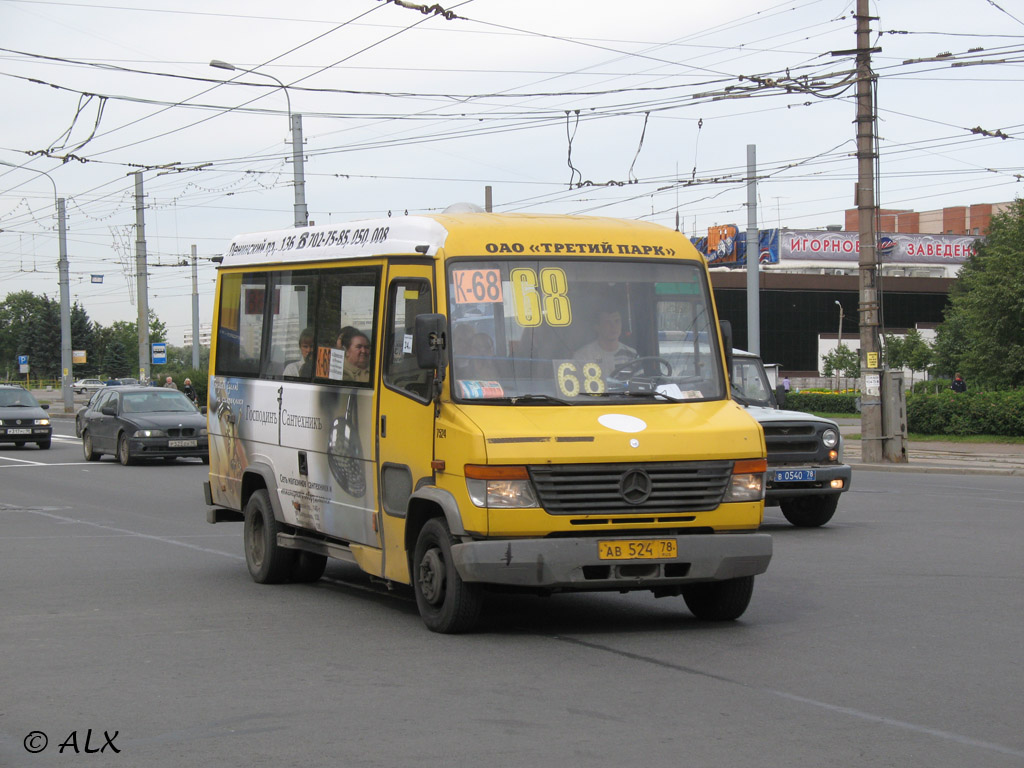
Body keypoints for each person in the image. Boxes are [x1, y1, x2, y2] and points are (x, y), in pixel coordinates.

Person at [573, 308, 637, 379]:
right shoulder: (583, 356)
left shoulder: (632, 355)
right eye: (607, 322)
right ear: (597, 327)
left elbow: (640, 386)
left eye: (617, 321)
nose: (614, 326)